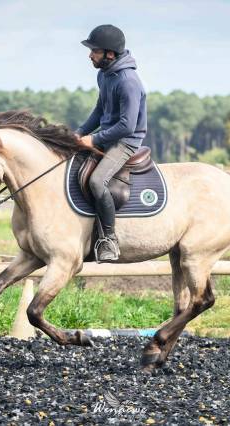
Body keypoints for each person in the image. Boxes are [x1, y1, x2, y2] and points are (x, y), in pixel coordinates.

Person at [75, 24, 148, 262]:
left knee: (97, 181)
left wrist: (94, 139)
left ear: (109, 53)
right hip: (109, 135)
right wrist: (80, 133)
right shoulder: (104, 75)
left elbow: (127, 126)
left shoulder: (128, 81)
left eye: (94, 51)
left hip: (126, 141)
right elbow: (99, 111)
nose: (89, 55)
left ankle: (108, 239)